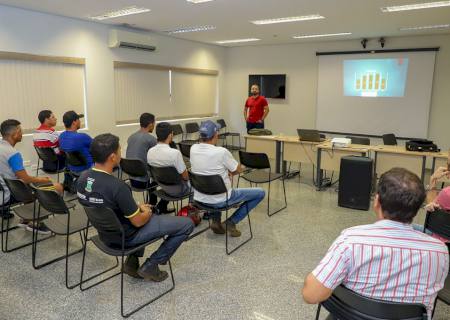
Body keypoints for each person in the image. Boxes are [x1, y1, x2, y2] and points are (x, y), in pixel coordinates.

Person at [302, 168, 449, 318]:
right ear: (417, 209)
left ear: (377, 201)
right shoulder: (440, 251)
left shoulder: (351, 241)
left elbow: (311, 295)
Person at [77, 133, 194, 281]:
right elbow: (138, 221)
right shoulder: (118, 187)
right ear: (113, 157)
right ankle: (151, 265)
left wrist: (136, 208)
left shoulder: (82, 178)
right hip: (126, 238)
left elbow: (103, 204)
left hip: (105, 235)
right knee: (186, 224)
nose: (121, 153)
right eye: (119, 150)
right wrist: (147, 212)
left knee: (141, 213)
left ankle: (131, 263)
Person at [190, 120, 265, 237]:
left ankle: (216, 221)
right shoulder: (221, 152)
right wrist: (234, 169)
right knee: (260, 193)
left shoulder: (193, 148)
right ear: (215, 135)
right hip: (221, 199)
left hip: (200, 198)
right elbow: (237, 170)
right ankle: (231, 222)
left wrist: (224, 171)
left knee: (214, 185)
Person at [0, 119, 63, 233]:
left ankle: (26, 219)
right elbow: (26, 178)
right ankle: (36, 224)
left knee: (27, 186)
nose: (22, 133)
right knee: (57, 186)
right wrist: (43, 179)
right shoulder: (13, 154)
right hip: (9, 194)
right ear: (15, 133)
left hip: (4, 190)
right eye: (21, 130)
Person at [126, 113, 172, 214]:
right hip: (143, 181)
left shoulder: (131, 137)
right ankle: (160, 207)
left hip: (131, 180)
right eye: (154, 123)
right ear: (151, 124)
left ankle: (152, 205)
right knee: (170, 180)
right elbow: (160, 158)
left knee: (153, 178)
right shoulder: (151, 139)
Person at [147, 122, 190, 197]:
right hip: (179, 190)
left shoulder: (150, 152)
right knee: (198, 183)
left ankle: (162, 206)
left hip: (162, 187)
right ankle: (192, 207)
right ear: (170, 135)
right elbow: (185, 177)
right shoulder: (175, 153)